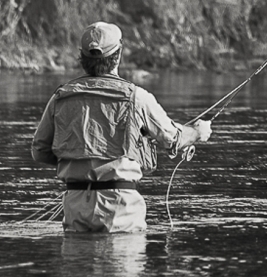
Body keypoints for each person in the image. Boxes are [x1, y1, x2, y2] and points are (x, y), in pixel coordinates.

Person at [31, 21, 212, 233]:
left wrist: (73, 157)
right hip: (121, 212)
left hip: (75, 208)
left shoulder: (60, 97)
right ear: (118, 55)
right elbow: (172, 138)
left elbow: (39, 151)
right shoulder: (137, 97)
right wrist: (197, 132)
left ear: (82, 58)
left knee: (77, 254)